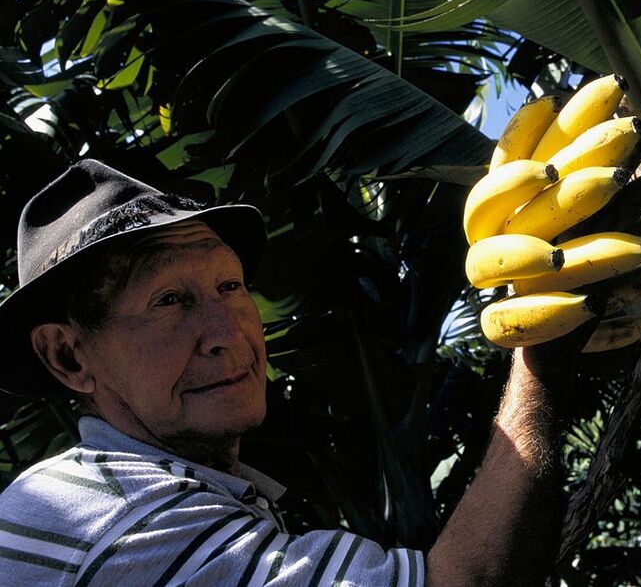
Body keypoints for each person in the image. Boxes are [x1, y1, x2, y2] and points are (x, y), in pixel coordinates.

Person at [0, 159, 579, 586]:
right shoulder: (124, 521)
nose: (229, 335)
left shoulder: (123, 496)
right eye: (170, 300)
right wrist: (545, 356)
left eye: (229, 286)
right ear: (68, 356)